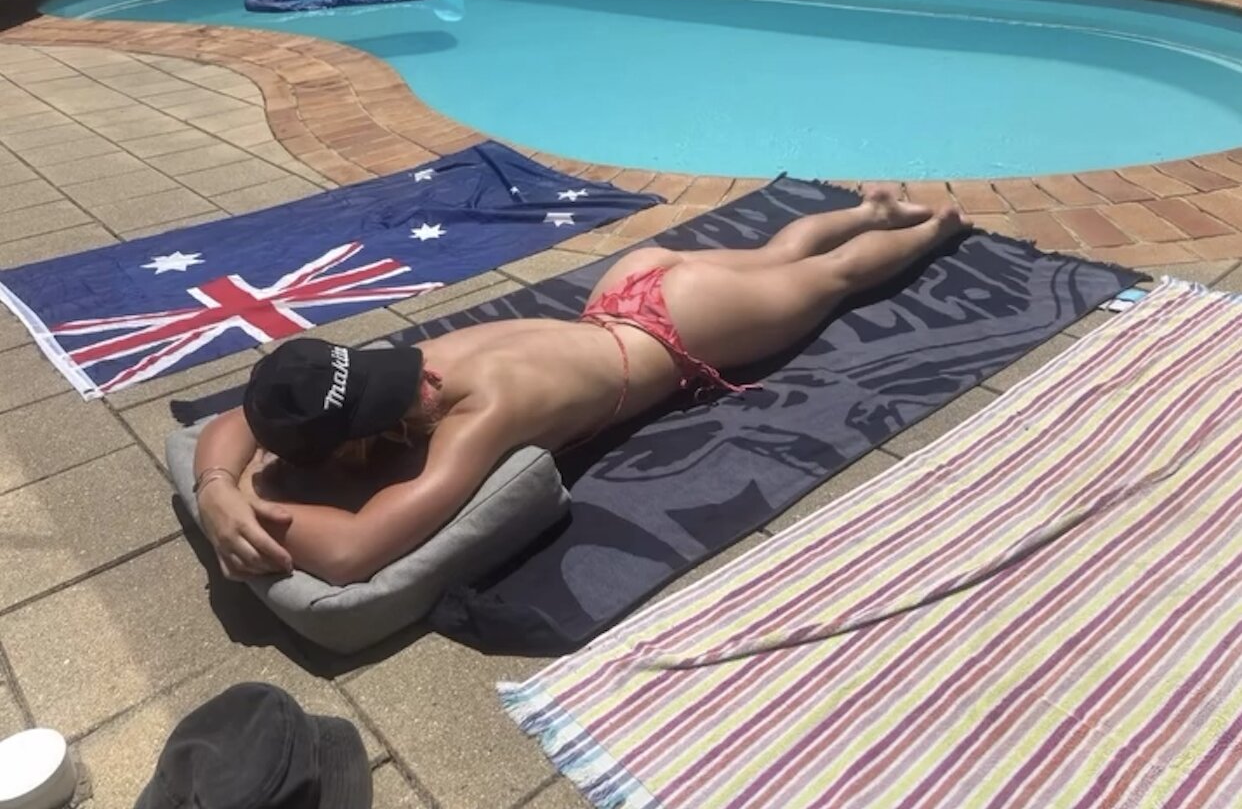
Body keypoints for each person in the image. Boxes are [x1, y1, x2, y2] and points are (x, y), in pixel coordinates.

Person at [194, 188, 971, 585]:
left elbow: (354, 551)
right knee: (777, 258)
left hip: (677, 325)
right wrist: (219, 485)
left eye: (392, 377)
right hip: (625, 293)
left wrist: (229, 502)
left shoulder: (482, 415)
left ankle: (938, 226)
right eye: (399, 397)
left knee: (832, 280)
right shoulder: (420, 374)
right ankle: (869, 209)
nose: (421, 375)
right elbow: (244, 421)